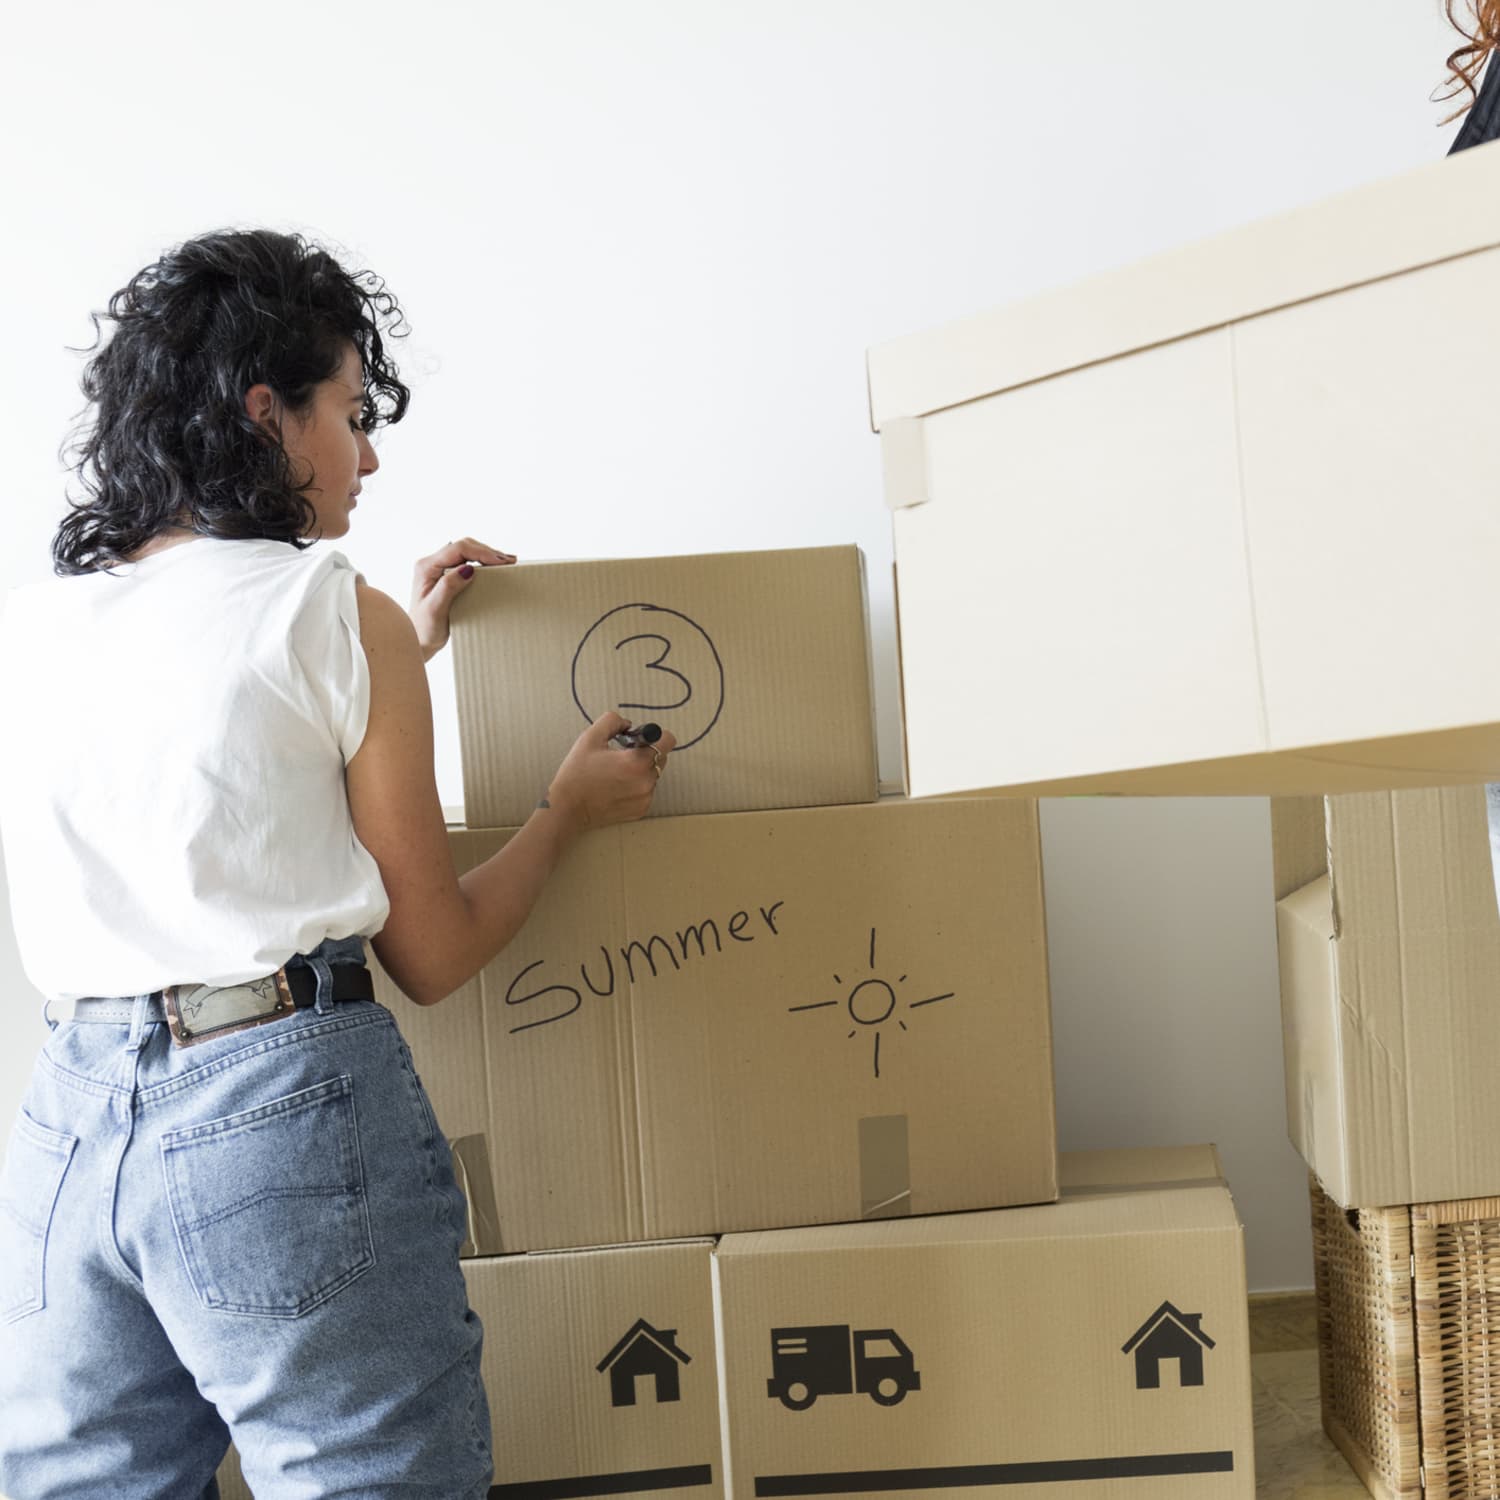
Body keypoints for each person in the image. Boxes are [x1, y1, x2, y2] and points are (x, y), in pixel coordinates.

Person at [0, 228, 675, 1499]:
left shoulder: (37, 629)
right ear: (267, 413)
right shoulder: (328, 608)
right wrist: (566, 814)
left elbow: (209, 769)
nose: (367, 456)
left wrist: (399, 656)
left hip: (68, 1126)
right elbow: (430, 952)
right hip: (272, 1113)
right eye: (350, 414)